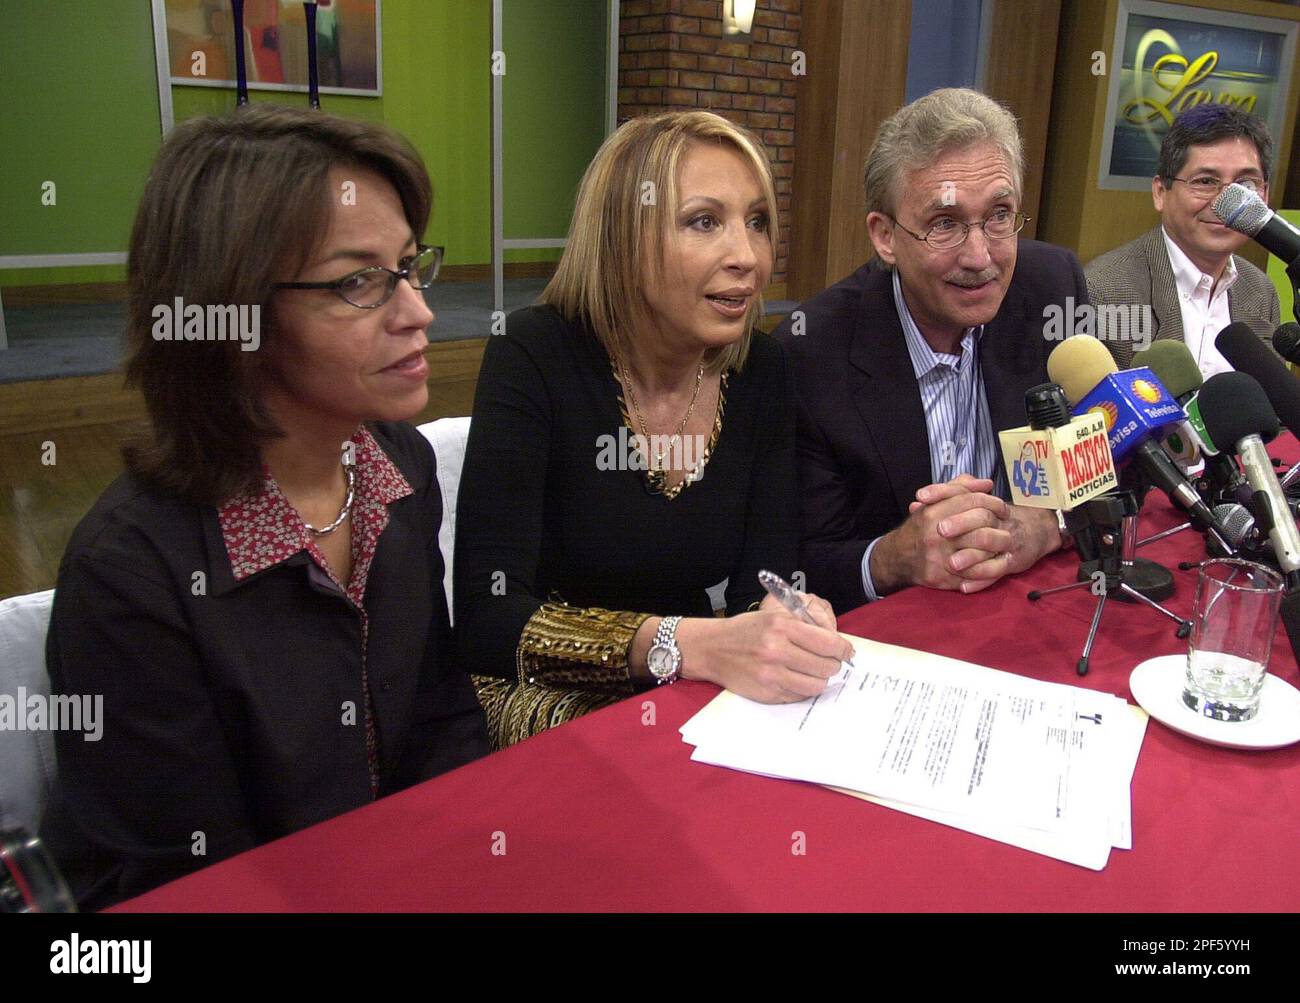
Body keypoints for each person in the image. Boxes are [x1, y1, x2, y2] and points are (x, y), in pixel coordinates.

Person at [40, 105, 488, 910]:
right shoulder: (131, 574)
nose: (418, 311)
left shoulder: (397, 464)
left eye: (411, 267)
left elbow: (440, 716)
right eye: (359, 281)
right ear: (231, 313)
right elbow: (183, 880)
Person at [453, 110, 853, 749]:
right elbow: (487, 621)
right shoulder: (533, 352)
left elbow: (764, 582)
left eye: (756, 222)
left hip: (691, 675)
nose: (747, 257)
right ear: (620, 236)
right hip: (542, 686)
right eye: (704, 222)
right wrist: (683, 644)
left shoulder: (762, 368)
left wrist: (783, 622)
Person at [773, 88, 1088, 614]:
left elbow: (1109, 464)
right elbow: (797, 565)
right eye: (944, 224)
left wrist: (1048, 525)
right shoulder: (810, 354)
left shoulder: (1052, 289)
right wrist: (895, 558)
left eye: (999, 215)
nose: (979, 255)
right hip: (891, 638)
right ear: (885, 237)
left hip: (1024, 607)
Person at [1085, 103, 1281, 372]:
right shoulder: (1104, 289)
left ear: (1265, 195)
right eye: (1205, 182)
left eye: (1245, 185)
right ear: (1160, 193)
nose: (1227, 201)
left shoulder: (1261, 291)